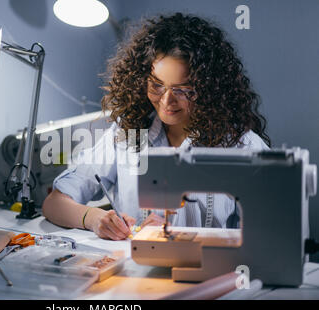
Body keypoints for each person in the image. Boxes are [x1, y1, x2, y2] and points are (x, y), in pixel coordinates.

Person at [42, 13, 271, 240]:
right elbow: (55, 203)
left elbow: (268, 237)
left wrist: (187, 237)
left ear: (209, 89)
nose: (166, 100)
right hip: (135, 271)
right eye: (157, 85)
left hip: (211, 273)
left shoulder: (243, 147)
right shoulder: (129, 132)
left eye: (183, 90)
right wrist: (93, 219)